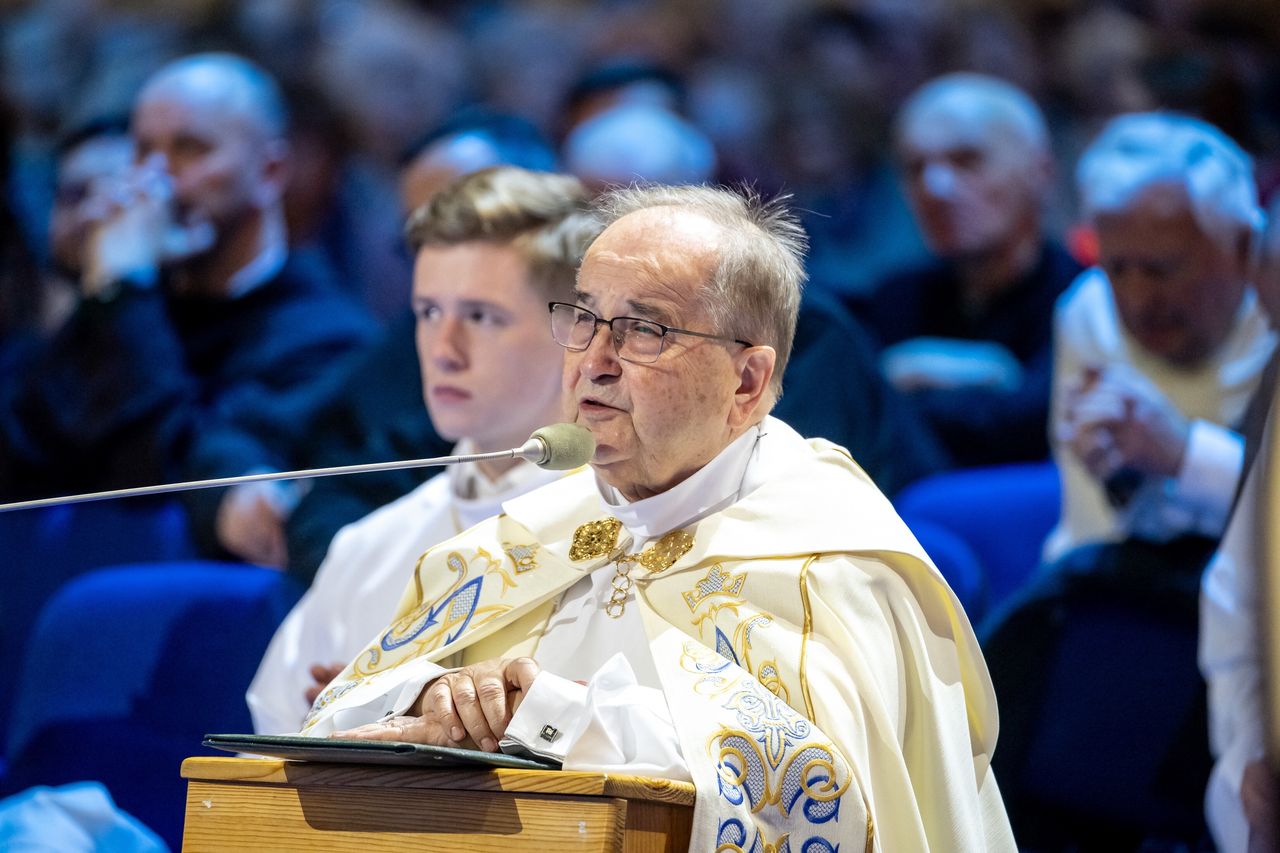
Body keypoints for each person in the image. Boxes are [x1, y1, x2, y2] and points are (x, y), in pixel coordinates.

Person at [298, 185, 1015, 850]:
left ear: (748, 379)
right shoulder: (531, 537)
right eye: (584, 317)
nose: (594, 361)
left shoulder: (830, 557)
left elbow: (819, 787)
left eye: (644, 330)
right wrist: (431, 695)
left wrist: (554, 715)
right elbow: (333, 711)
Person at [248, 167, 598, 734]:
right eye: (429, 313)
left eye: (481, 317)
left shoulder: (640, 531)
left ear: (576, 329)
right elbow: (272, 743)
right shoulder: (370, 548)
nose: (444, 350)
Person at [0, 53, 375, 564]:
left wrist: (122, 291)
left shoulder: (326, 337)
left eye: (188, 150)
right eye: (142, 151)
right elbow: (24, 445)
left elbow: (170, 473)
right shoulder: (131, 304)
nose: (154, 181)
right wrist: (88, 291)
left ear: (270, 170)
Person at [1044, 112, 1275, 570]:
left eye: (1161, 270)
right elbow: (1089, 524)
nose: (1136, 299)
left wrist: (1186, 455)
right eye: (1117, 268)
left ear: (1243, 247)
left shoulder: (1276, 307)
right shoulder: (1089, 312)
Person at [853, 72, 1081, 467]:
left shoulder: (1083, 296)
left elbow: (1032, 425)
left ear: (1040, 172)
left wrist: (901, 380)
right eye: (915, 168)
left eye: (967, 160)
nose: (935, 187)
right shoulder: (897, 296)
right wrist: (989, 374)